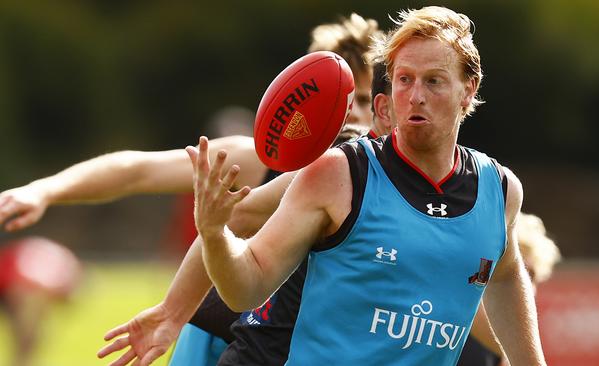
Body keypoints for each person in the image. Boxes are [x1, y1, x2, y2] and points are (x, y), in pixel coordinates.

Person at [99, 6, 544, 365]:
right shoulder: (338, 174)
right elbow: (246, 286)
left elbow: (504, 275)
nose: (417, 95)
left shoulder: (499, 190)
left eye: (434, 81)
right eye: (405, 79)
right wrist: (214, 235)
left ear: (469, 91)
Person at [0, 13, 381, 365]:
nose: (354, 115)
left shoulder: (380, 182)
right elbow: (137, 170)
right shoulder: (254, 163)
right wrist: (45, 189)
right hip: (220, 339)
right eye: (342, 101)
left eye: (364, 101)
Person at [458, 212, 562, 366]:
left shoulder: (496, 350)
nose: (521, 283)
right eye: (510, 273)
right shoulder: (459, 318)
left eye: (530, 275)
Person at [0, 236, 82, 366]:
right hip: (10, 278)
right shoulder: (54, 277)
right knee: (28, 335)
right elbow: (21, 284)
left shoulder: (61, 266)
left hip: (15, 274)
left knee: (29, 335)